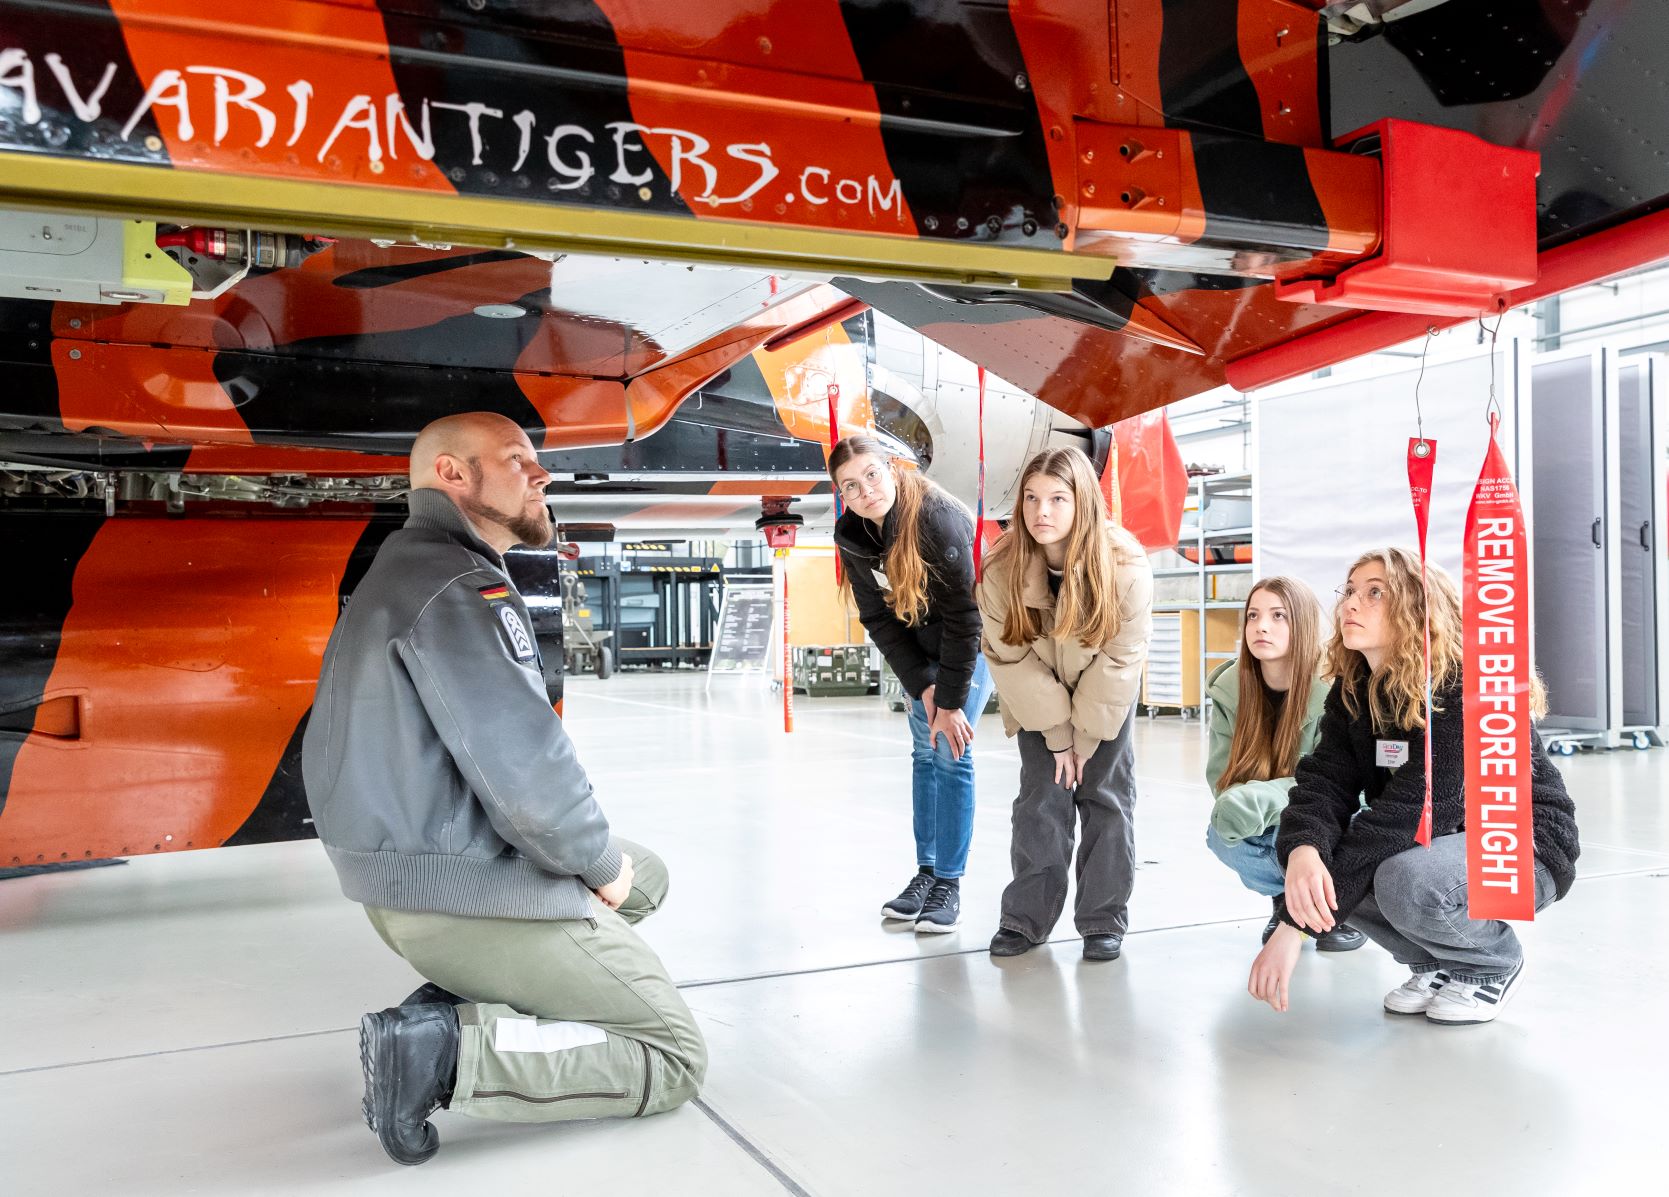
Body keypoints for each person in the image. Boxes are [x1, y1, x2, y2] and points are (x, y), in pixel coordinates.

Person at [302, 412, 705, 1165]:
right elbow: (524, 772)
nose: (542, 473)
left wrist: (607, 865)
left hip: (406, 868)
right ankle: (443, 1052)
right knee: (673, 1054)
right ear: (452, 475)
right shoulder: (459, 583)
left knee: (646, 876)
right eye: (518, 458)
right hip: (456, 891)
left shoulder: (404, 565)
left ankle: (466, 1000)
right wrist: (593, 861)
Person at [1248, 548, 1581, 1024]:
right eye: (1350, 591)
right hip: (1437, 843)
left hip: (1523, 847)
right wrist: (1303, 849)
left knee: (1399, 875)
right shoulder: (1356, 690)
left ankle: (1489, 964)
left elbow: (1415, 810)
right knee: (1321, 866)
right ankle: (1435, 964)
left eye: (1375, 593)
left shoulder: (1464, 686)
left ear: (1420, 612)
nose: (1350, 605)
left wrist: (1290, 928)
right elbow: (1323, 782)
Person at [976, 447, 1153, 961]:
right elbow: (1007, 657)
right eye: (1031, 498)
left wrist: (1084, 737)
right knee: (1040, 801)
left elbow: (1121, 659)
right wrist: (1057, 738)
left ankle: (1102, 919)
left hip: (1106, 687)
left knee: (1107, 798)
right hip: (1037, 691)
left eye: (1057, 498)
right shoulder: (1000, 568)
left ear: (1084, 503)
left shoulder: (1125, 564)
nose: (1041, 512)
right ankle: (1026, 918)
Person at [830, 434, 994, 933]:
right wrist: (922, 685)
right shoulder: (853, 536)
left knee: (949, 753)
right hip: (920, 655)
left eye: (872, 475)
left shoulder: (935, 519)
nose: (865, 492)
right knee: (924, 756)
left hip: (970, 648)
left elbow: (967, 620)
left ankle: (949, 881)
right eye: (851, 486)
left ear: (892, 468)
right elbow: (877, 619)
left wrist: (948, 699)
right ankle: (925, 872)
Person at [1204, 577, 1365, 951]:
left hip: (1332, 817)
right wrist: (1248, 805)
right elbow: (1222, 778)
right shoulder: (1230, 689)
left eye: (1279, 616)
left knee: (1298, 835)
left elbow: (1343, 789)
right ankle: (1290, 901)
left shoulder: (1337, 689)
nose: (1261, 626)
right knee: (1222, 836)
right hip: (1271, 818)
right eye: (1253, 616)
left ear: (1304, 624)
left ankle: (1335, 905)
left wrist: (1258, 798)